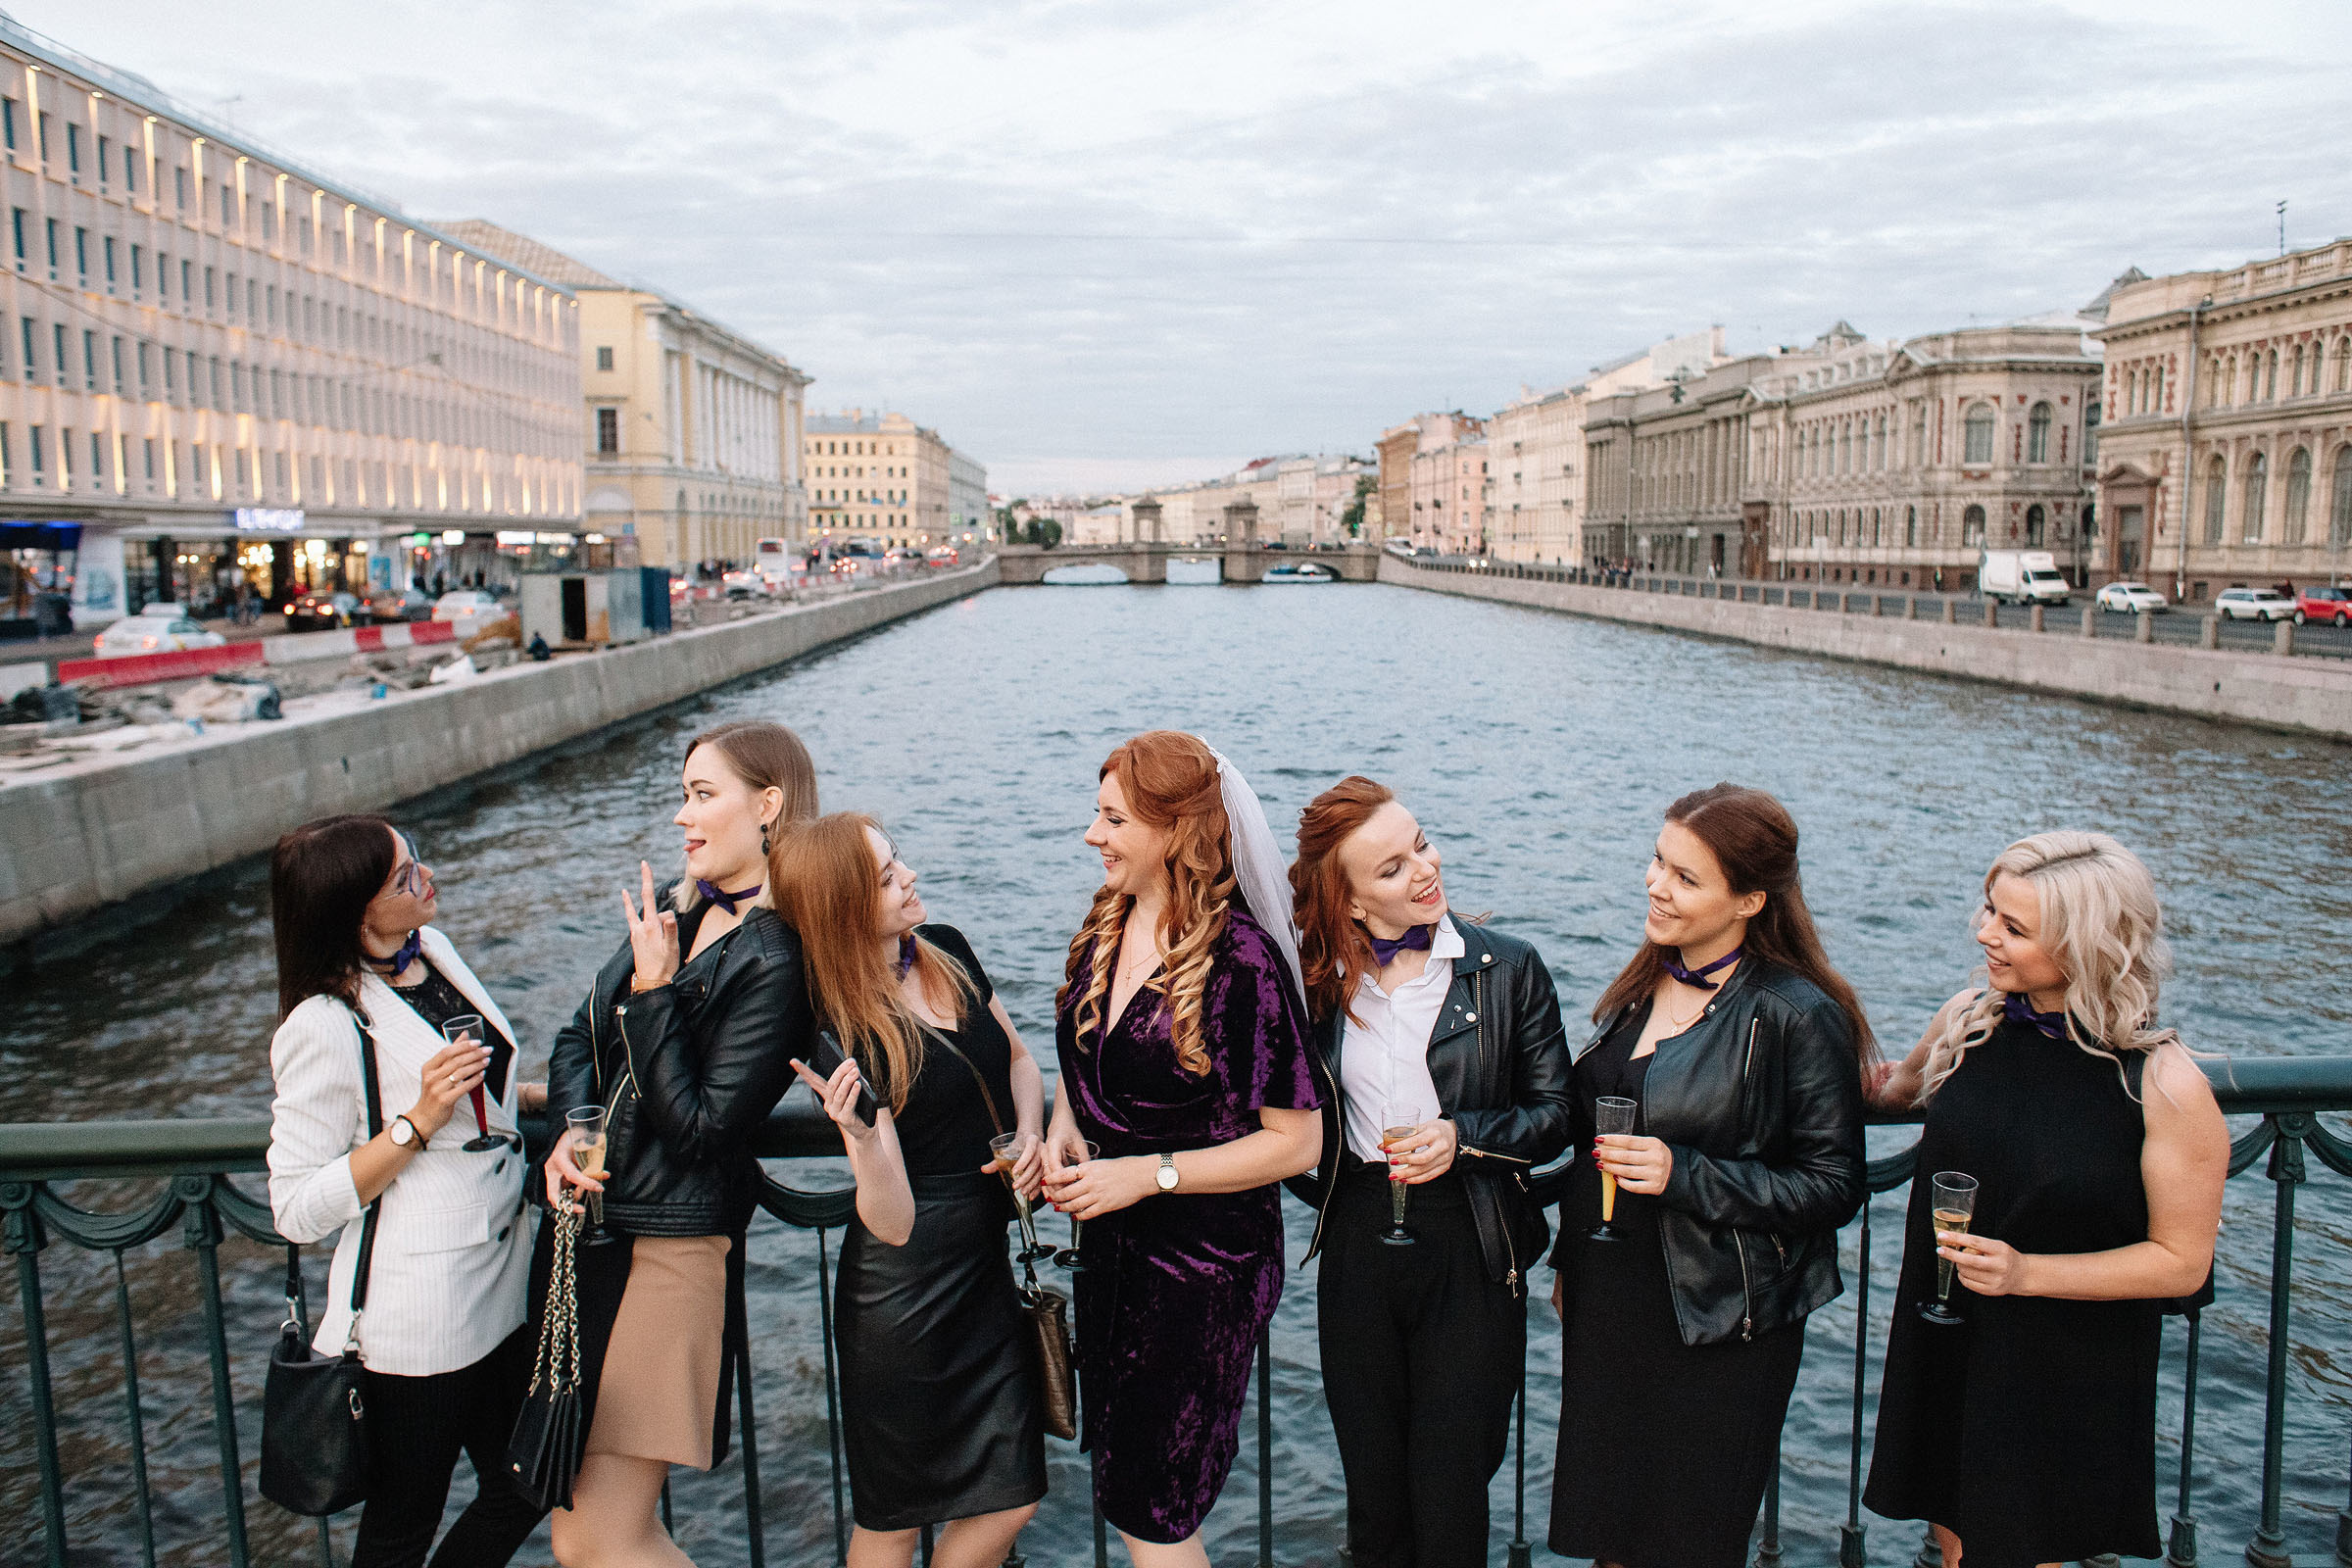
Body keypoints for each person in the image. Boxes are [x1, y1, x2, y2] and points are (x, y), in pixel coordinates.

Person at [1863, 832, 2228, 1568]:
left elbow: (2182, 1262)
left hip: (2064, 1363)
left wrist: (2027, 1273)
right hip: (1950, 1327)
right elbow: (1891, 1091)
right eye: (1989, 910)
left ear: (2086, 945)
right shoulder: (1970, 1020)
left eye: (2014, 926)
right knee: (1953, 1543)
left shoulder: (2163, 1084)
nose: (1984, 933)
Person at [1546, 782, 1872, 1568]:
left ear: (1750, 901)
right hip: (1614, 1299)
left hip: (1718, 1320)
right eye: (1659, 861)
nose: (1655, 884)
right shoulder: (1646, 979)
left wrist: (1683, 1172)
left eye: (1685, 877)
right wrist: (1569, 1259)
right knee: (1609, 1541)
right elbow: (1590, 1133)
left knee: (1686, 1546)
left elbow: (1834, 1185)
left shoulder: (1797, 1015)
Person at [541, 719, 841, 1568]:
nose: (682, 815)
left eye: (703, 795)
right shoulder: (679, 909)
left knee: (597, 1535)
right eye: (684, 795)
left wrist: (652, 992)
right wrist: (570, 1133)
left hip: (671, 1248)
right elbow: (573, 1038)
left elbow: (702, 1128)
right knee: (590, 1532)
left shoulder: (777, 956)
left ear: (769, 805)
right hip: (601, 1236)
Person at [1042, 730, 1324, 1567]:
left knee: (1153, 1507)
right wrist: (1063, 1123)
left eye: (1114, 820)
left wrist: (1146, 1175)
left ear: (1174, 831)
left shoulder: (1243, 963)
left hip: (1202, 1271)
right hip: (1112, 1254)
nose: (1092, 835)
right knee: (1127, 1489)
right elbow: (1089, 1054)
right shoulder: (1105, 922)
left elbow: (1298, 1142)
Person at [1284, 777, 1571, 1568]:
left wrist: (1462, 1139)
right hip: (1357, 1241)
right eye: (1392, 868)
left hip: (1471, 1242)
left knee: (1450, 1495)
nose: (1425, 868)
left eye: (1421, 843)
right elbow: (1279, 1115)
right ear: (1348, 902)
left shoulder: (1508, 969)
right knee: (1375, 1499)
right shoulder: (1312, 981)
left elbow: (1557, 1114)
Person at [265, 814, 546, 1568]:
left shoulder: (435, 952)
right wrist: (416, 1122)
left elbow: (483, 1087)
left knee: (530, 1483)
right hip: (421, 1325)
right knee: (402, 1528)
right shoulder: (323, 1024)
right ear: (355, 913)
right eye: (404, 877)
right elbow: (294, 1209)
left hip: (501, 1286)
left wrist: (541, 1100)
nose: (427, 877)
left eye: (416, 858)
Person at [772, 813, 1047, 1568]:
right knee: (893, 1521)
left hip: (984, 1271)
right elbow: (891, 1221)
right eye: (887, 877)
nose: (910, 877)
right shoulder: (845, 1030)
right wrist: (861, 1138)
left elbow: (1020, 1062)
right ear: (844, 908)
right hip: (904, 1298)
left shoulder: (946, 948)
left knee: (1014, 1495)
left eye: (898, 862)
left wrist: (1028, 1136)